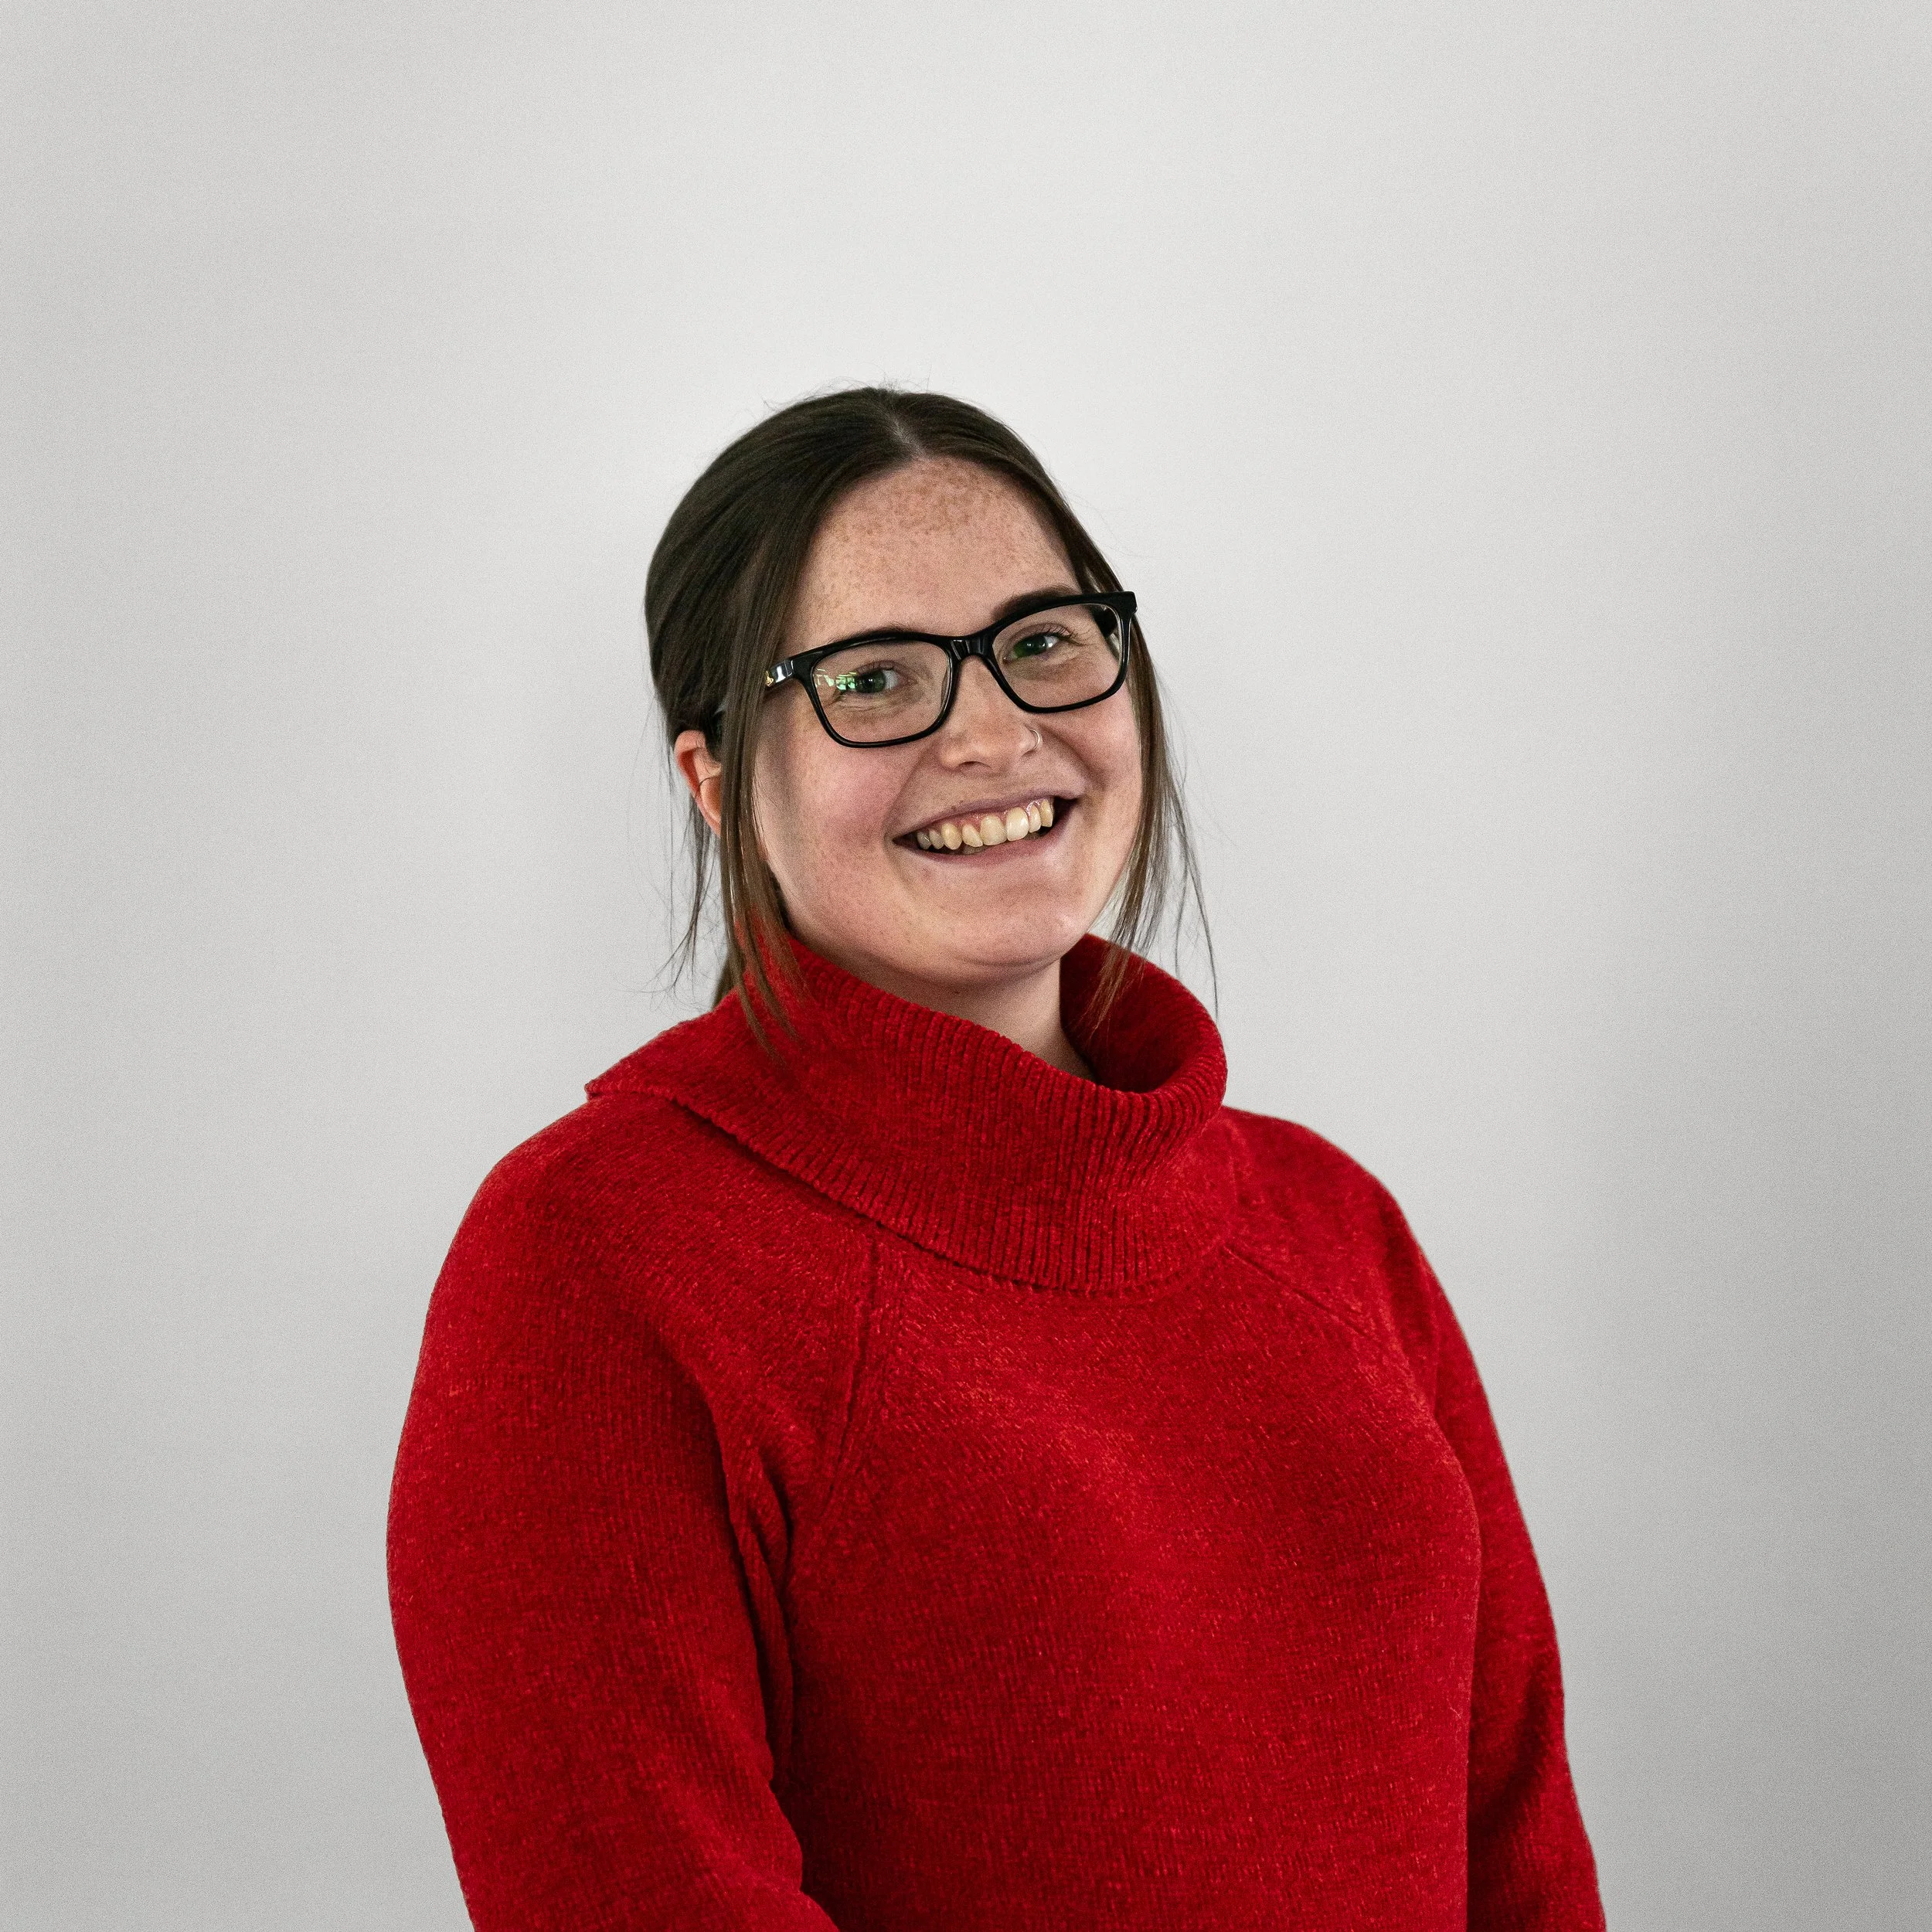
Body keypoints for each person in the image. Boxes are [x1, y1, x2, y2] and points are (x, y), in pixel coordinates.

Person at [386, 386, 1607, 1931]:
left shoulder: (1330, 1223)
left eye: (1039, 639)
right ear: (711, 784)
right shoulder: (594, 1256)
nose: (988, 728)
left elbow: (1522, 1861)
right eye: (872, 677)